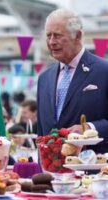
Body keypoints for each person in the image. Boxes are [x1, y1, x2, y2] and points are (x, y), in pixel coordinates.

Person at [37, 9, 108, 154]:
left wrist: (89, 128)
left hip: (93, 171)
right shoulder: (44, 78)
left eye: (57, 35)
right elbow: (42, 133)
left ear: (78, 35)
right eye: (48, 36)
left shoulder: (104, 71)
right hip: (52, 172)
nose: (51, 42)